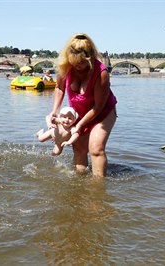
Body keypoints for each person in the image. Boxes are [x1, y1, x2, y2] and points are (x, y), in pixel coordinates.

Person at [48, 33, 117, 178]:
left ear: (90, 58)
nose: (78, 66)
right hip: (78, 113)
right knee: (79, 149)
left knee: (96, 148)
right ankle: (79, 185)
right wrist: (55, 111)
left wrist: (79, 126)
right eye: (74, 62)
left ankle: (97, 189)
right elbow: (59, 88)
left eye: (82, 62)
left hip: (102, 113)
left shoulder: (101, 73)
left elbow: (98, 107)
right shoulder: (65, 66)